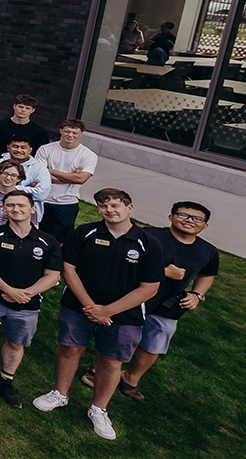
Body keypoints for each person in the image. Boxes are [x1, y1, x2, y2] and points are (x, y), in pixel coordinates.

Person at [33, 188, 164, 440]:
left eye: (115, 205)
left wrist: (108, 310)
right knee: (69, 348)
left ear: (130, 208)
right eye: (103, 206)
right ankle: (60, 394)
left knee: (111, 361)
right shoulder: (85, 232)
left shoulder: (148, 244)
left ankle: (99, 409)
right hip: (78, 307)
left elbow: (150, 287)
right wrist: (91, 306)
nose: (109, 210)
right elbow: (68, 268)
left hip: (124, 315)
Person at [96, 201, 217, 401]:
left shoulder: (208, 251)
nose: (189, 221)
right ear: (171, 217)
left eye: (197, 219)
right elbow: (120, 260)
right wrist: (163, 272)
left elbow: (207, 274)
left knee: (156, 342)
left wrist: (197, 294)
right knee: (120, 336)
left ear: (205, 226)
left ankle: (130, 378)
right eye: (183, 215)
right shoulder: (147, 235)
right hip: (132, 297)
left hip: (167, 305)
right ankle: (100, 370)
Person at [0, 190, 63, 406]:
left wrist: (25, 294)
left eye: (21, 205)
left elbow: (53, 275)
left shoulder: (48, 242)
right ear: (4, 209)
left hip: (28, 303)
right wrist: (8, 289)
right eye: (11, 205)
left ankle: (6, 381)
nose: (16, 209)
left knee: (16, 342)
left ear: (33, 209)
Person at [37, 119, 98, 241]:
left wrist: (50, 170)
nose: (70, 135)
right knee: (36, 236)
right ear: (61, 131)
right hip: (42, 200)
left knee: (61, 241)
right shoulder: (45, 149)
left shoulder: (88, 155)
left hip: (67, 203)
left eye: (74, 133)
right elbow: (39, 176)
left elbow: (81, 179)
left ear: (81, 133)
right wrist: (72, 176)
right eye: (67, 131)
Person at [0, 94, 49, 162]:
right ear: (14, 106)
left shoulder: (40, 133)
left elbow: (41, 156)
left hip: (26, 170)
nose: (23, 110)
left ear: (33, 110)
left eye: (27, 108)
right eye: (20, 107)